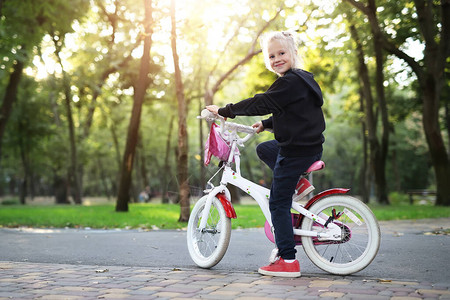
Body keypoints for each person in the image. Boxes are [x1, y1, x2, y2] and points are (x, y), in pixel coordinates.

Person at [206, 31, 325, 278]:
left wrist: (225, 111)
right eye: (271, 55)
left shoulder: (288, 82)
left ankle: (288, 260)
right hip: (308, 147)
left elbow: (262, 102)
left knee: (278, 203)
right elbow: (294, 111)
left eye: (282, 53)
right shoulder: (301, 81)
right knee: (265, 148)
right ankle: (299, 183)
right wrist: (268, 124)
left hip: (295, 153)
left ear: (293, 53)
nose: (277, 59)